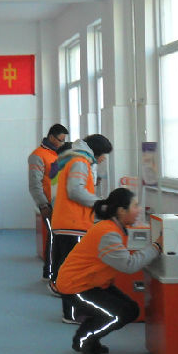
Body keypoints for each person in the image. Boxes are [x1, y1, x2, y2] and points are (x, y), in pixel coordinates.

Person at [54, 188, 162, 354]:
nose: (139, 210)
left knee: (131, 309)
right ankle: (84, 340)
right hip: (76, 286)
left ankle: (91, 336)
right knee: (118, 313)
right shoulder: (108, 233)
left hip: (94, 283)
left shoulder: (116, 228)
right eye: (135, 206)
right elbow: (129, 265)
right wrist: (157, 247)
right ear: (121, 211)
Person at [50, 133, 113, 323]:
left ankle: (72, 311)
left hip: (67, 222)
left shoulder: (76, 159)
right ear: (97, 151)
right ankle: (72, 313)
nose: (103, 159)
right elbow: (76, 191)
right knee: (73, 272)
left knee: (68, 270)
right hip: (73, 224)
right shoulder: (80, 162)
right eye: (104, 155)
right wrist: (101, 205)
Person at [28, 124, 69, 280]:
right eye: (60, 140)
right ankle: (49, 272)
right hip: (48, 205)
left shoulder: (59, 154)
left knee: (58, 238)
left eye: (64, 140)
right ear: (51, 137)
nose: (62, 143)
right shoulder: (37, 155)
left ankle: (57, 271)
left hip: (61, 204)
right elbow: (34, 184)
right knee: (53, 237)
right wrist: (43, 205)